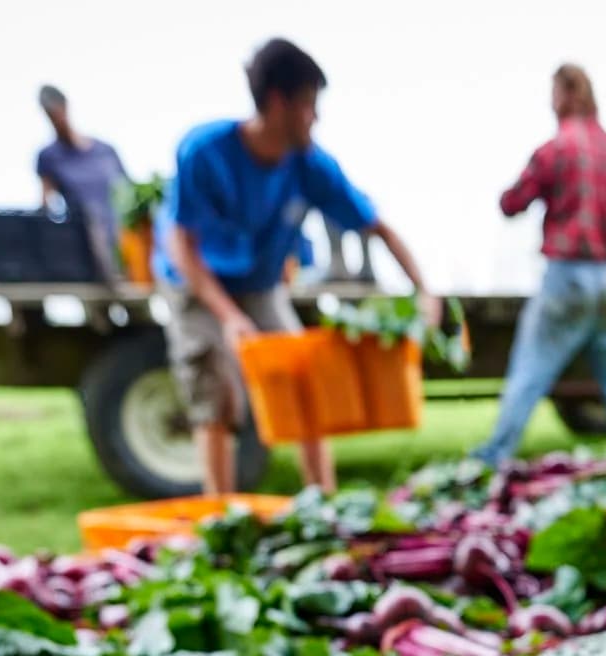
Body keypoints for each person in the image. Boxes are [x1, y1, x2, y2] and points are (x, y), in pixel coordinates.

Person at [163, 38, 440, 494]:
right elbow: (182, 244)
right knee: (218, 392)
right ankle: (220, 514)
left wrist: (423, 289)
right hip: (197, 282)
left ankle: (324, 502)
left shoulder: (311, 166)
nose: (317, 116)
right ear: (278, 102)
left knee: (303, 382)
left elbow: (377, 228)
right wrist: (230, 320)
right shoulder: (204, 152)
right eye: (310, 104)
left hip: (261, 284)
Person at [474, 65, 606, 464]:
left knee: (530, 371)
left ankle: (493, 456)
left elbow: (512, 203)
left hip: (569, 276)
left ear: (564, 94)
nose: (550, 101)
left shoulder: (554, 151)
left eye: (552, 92)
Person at [34, 85, 130, 283]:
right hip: (89, 246)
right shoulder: (49, 157)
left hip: (123, 238)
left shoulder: (105, 151)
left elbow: (128, 192)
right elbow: (45, 205)